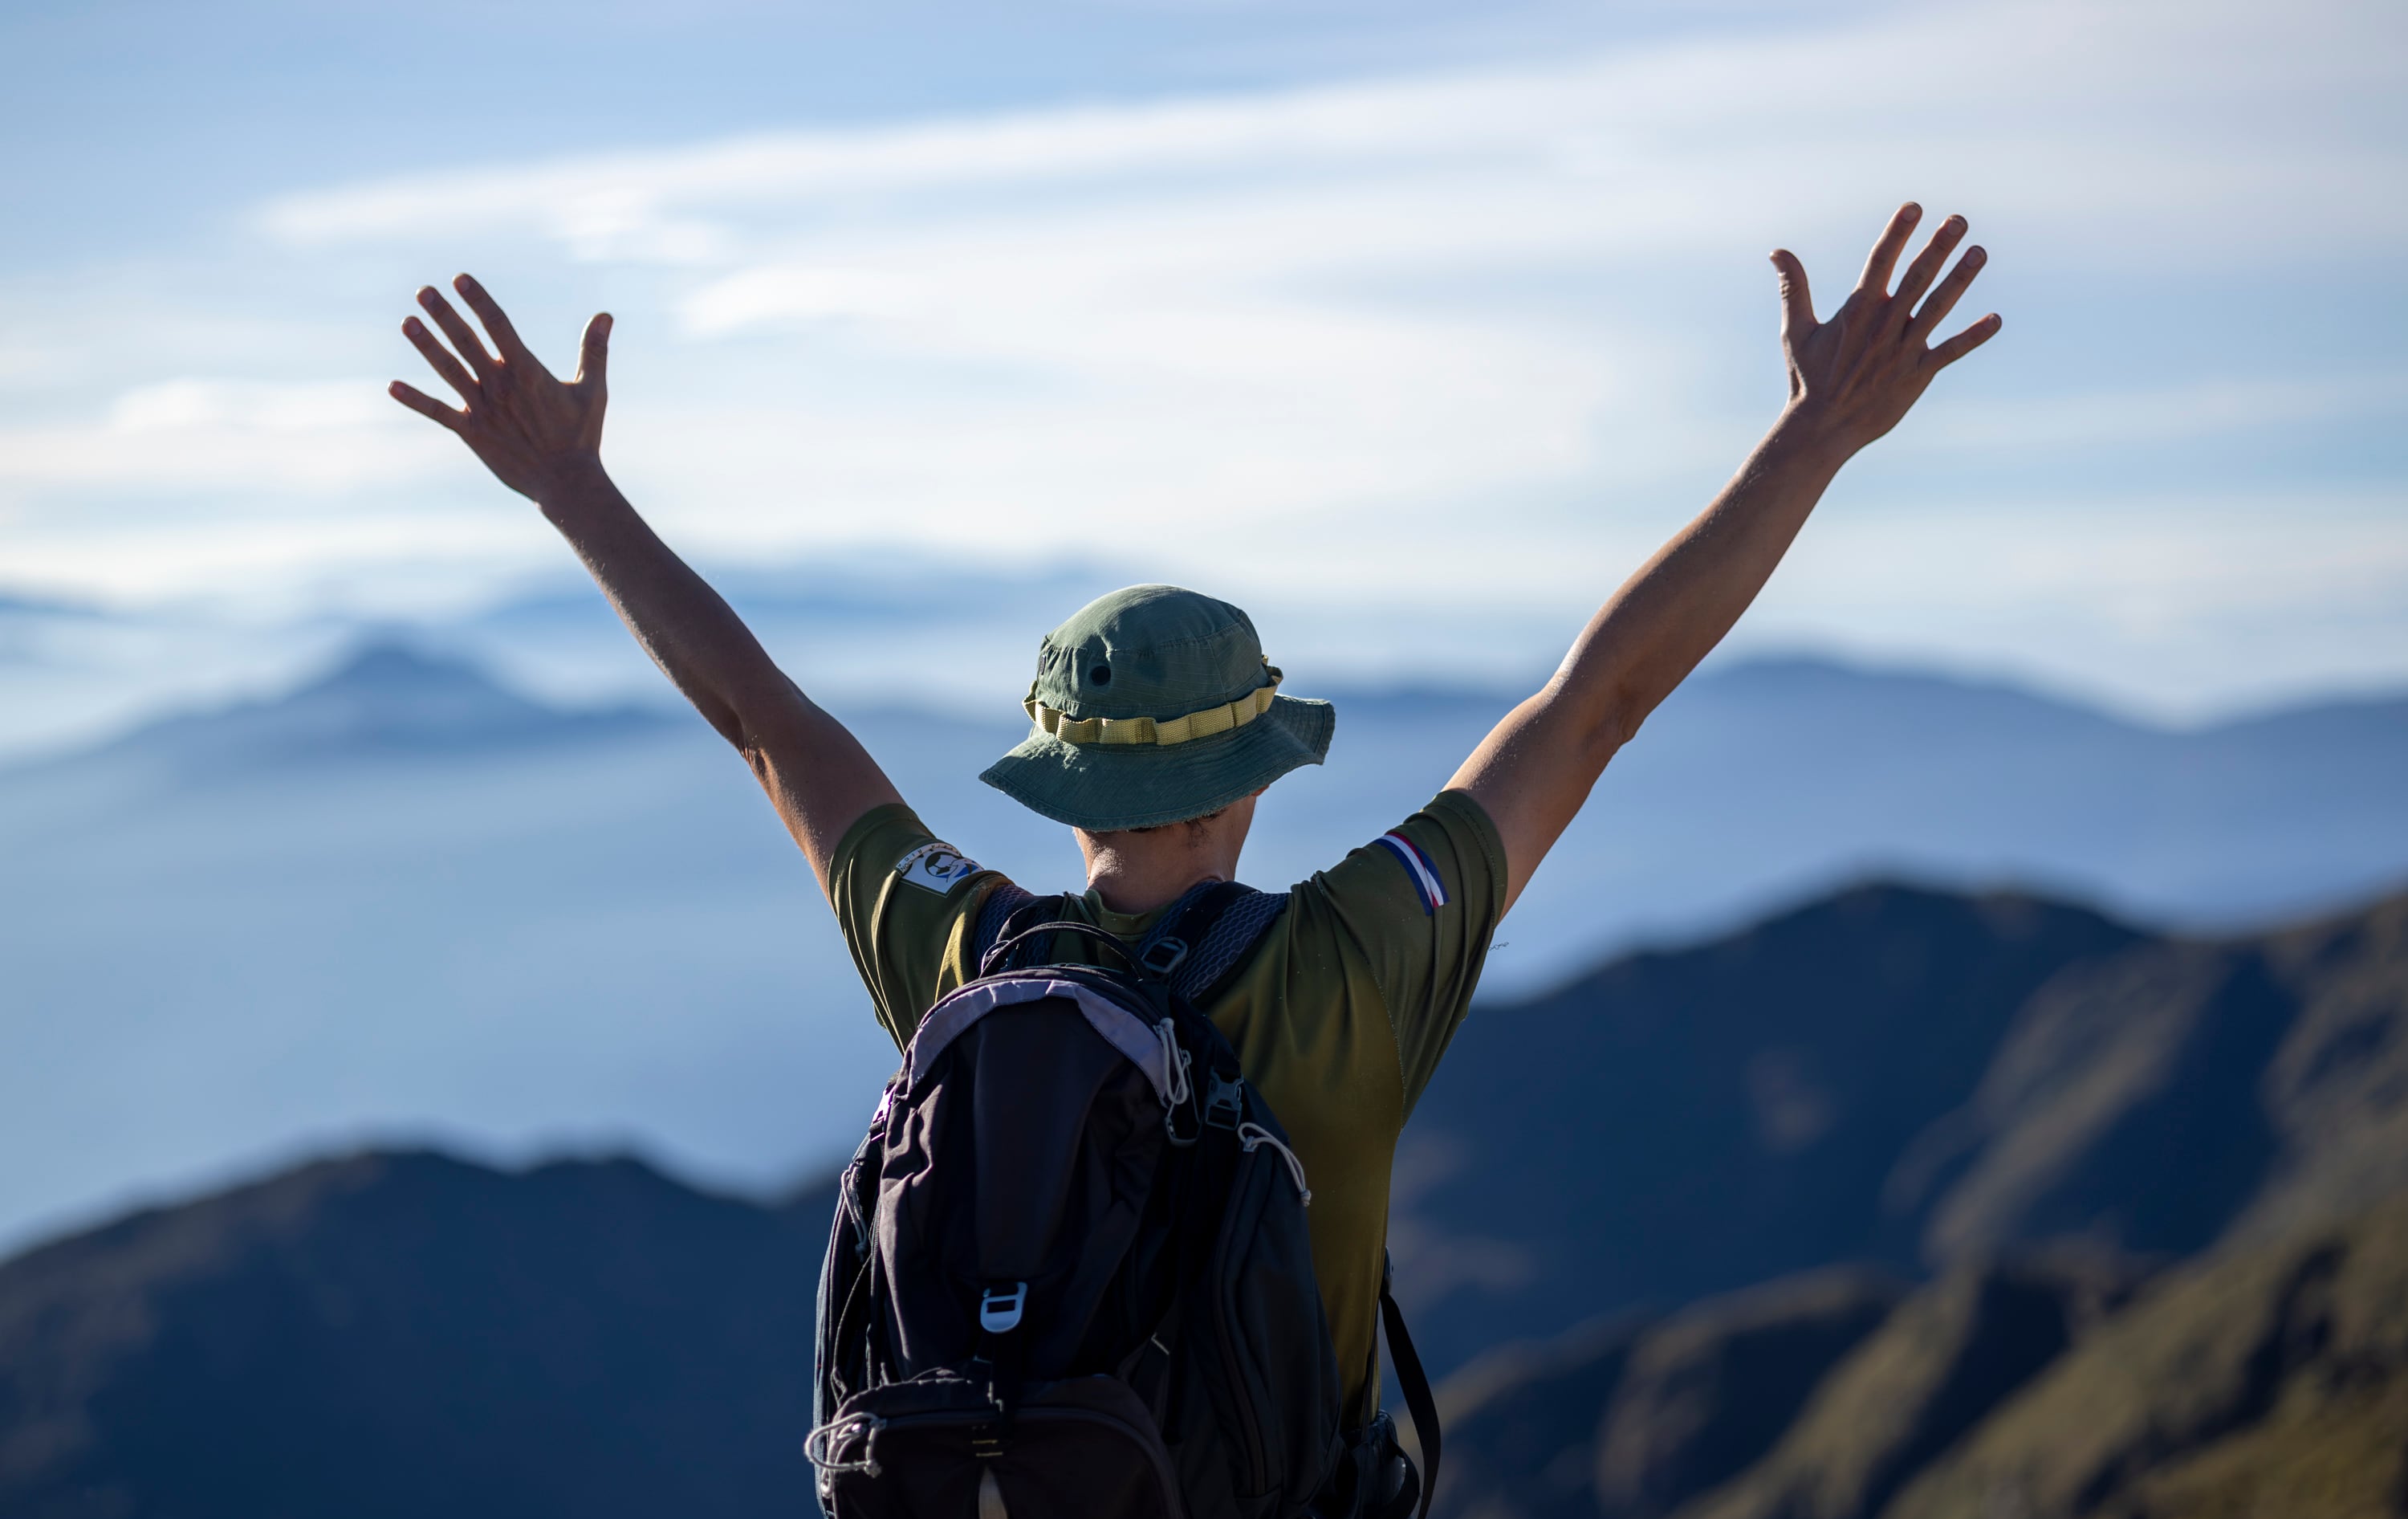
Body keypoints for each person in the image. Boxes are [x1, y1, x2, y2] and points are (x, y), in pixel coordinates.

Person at [389, 199, 1995, 1448]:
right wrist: (1818, 435)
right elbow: (1598, 703)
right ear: (1248, 783)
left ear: (1057, 777)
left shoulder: (963, 961)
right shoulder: (1359, 961)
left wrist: (573, 489)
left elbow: (768, 727)